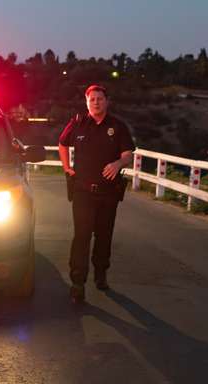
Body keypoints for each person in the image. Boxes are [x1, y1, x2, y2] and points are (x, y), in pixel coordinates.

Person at [58, 85, 134, 302]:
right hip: (82, 190)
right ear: (86, 102)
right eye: (92, 100)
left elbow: (128, 154)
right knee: (82, 236)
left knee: (104, 236)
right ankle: (78, 282)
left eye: (100, 99)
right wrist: (67, 169)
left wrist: (118, 163)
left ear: (106, 101)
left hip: (109, 192)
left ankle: (101, 274)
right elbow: (62, 144)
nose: (96, 103)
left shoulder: (118, 126)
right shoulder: (78, 123)